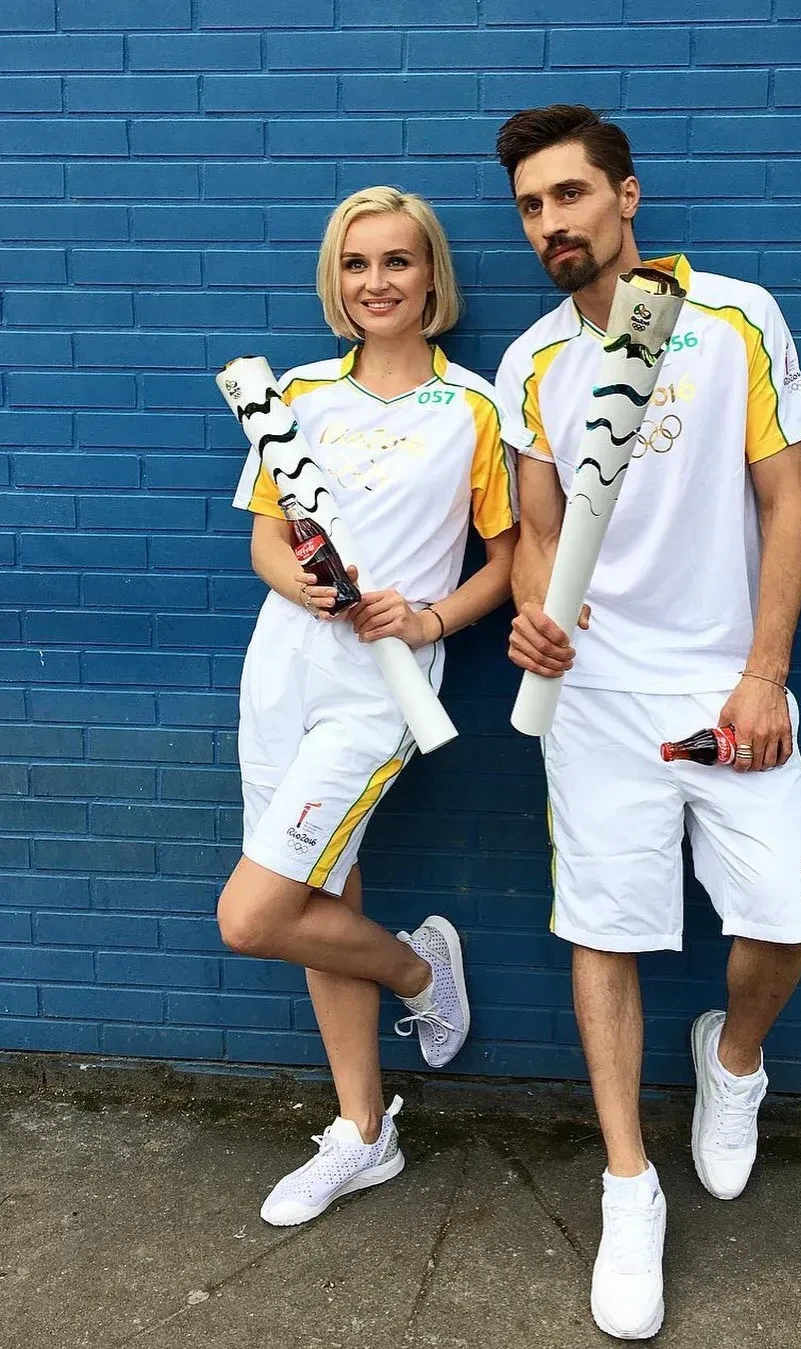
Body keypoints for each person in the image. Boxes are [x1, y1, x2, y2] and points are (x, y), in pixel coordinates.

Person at [494, 106, 801, 1340]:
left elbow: (784, 502)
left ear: (626, 197)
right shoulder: (533, 361)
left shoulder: (734, 318)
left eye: (570, 195)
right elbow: (537, 536)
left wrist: (764, 672)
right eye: (531, 207)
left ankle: (732, 1061)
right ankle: (629, 1184)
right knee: (607, 929)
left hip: (724, 683)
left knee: (783, 915)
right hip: (595, 700)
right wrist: (536, 617)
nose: (552, 223)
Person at [216, 186, 518, 1227]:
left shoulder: (474, 408)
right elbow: (267, 539)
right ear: (335, 280)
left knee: (254, 916)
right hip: (281, 671)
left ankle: (418, 971)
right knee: (321, 893)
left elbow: (509, 562)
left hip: (380, 690)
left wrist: (429, 618)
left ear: (432, 276)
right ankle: (363, 1131)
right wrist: (301, 585)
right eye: (357, 264)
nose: (376, 282)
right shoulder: (295, 393)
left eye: (397, 261)